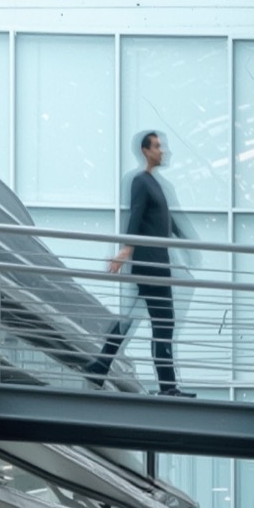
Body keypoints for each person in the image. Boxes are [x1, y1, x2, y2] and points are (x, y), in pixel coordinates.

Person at [92, 130, 187, 397]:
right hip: (150, 266)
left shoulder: (155, 183)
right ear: (145, 151)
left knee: (136, 320)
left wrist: (185, 239)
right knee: (162, 323)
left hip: (157, 264)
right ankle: (168, 387)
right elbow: (136, 216)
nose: (162, 151)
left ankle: (100, 365)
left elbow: (164, 219)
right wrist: (126, 250)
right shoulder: (140, 182)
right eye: (157, 146)